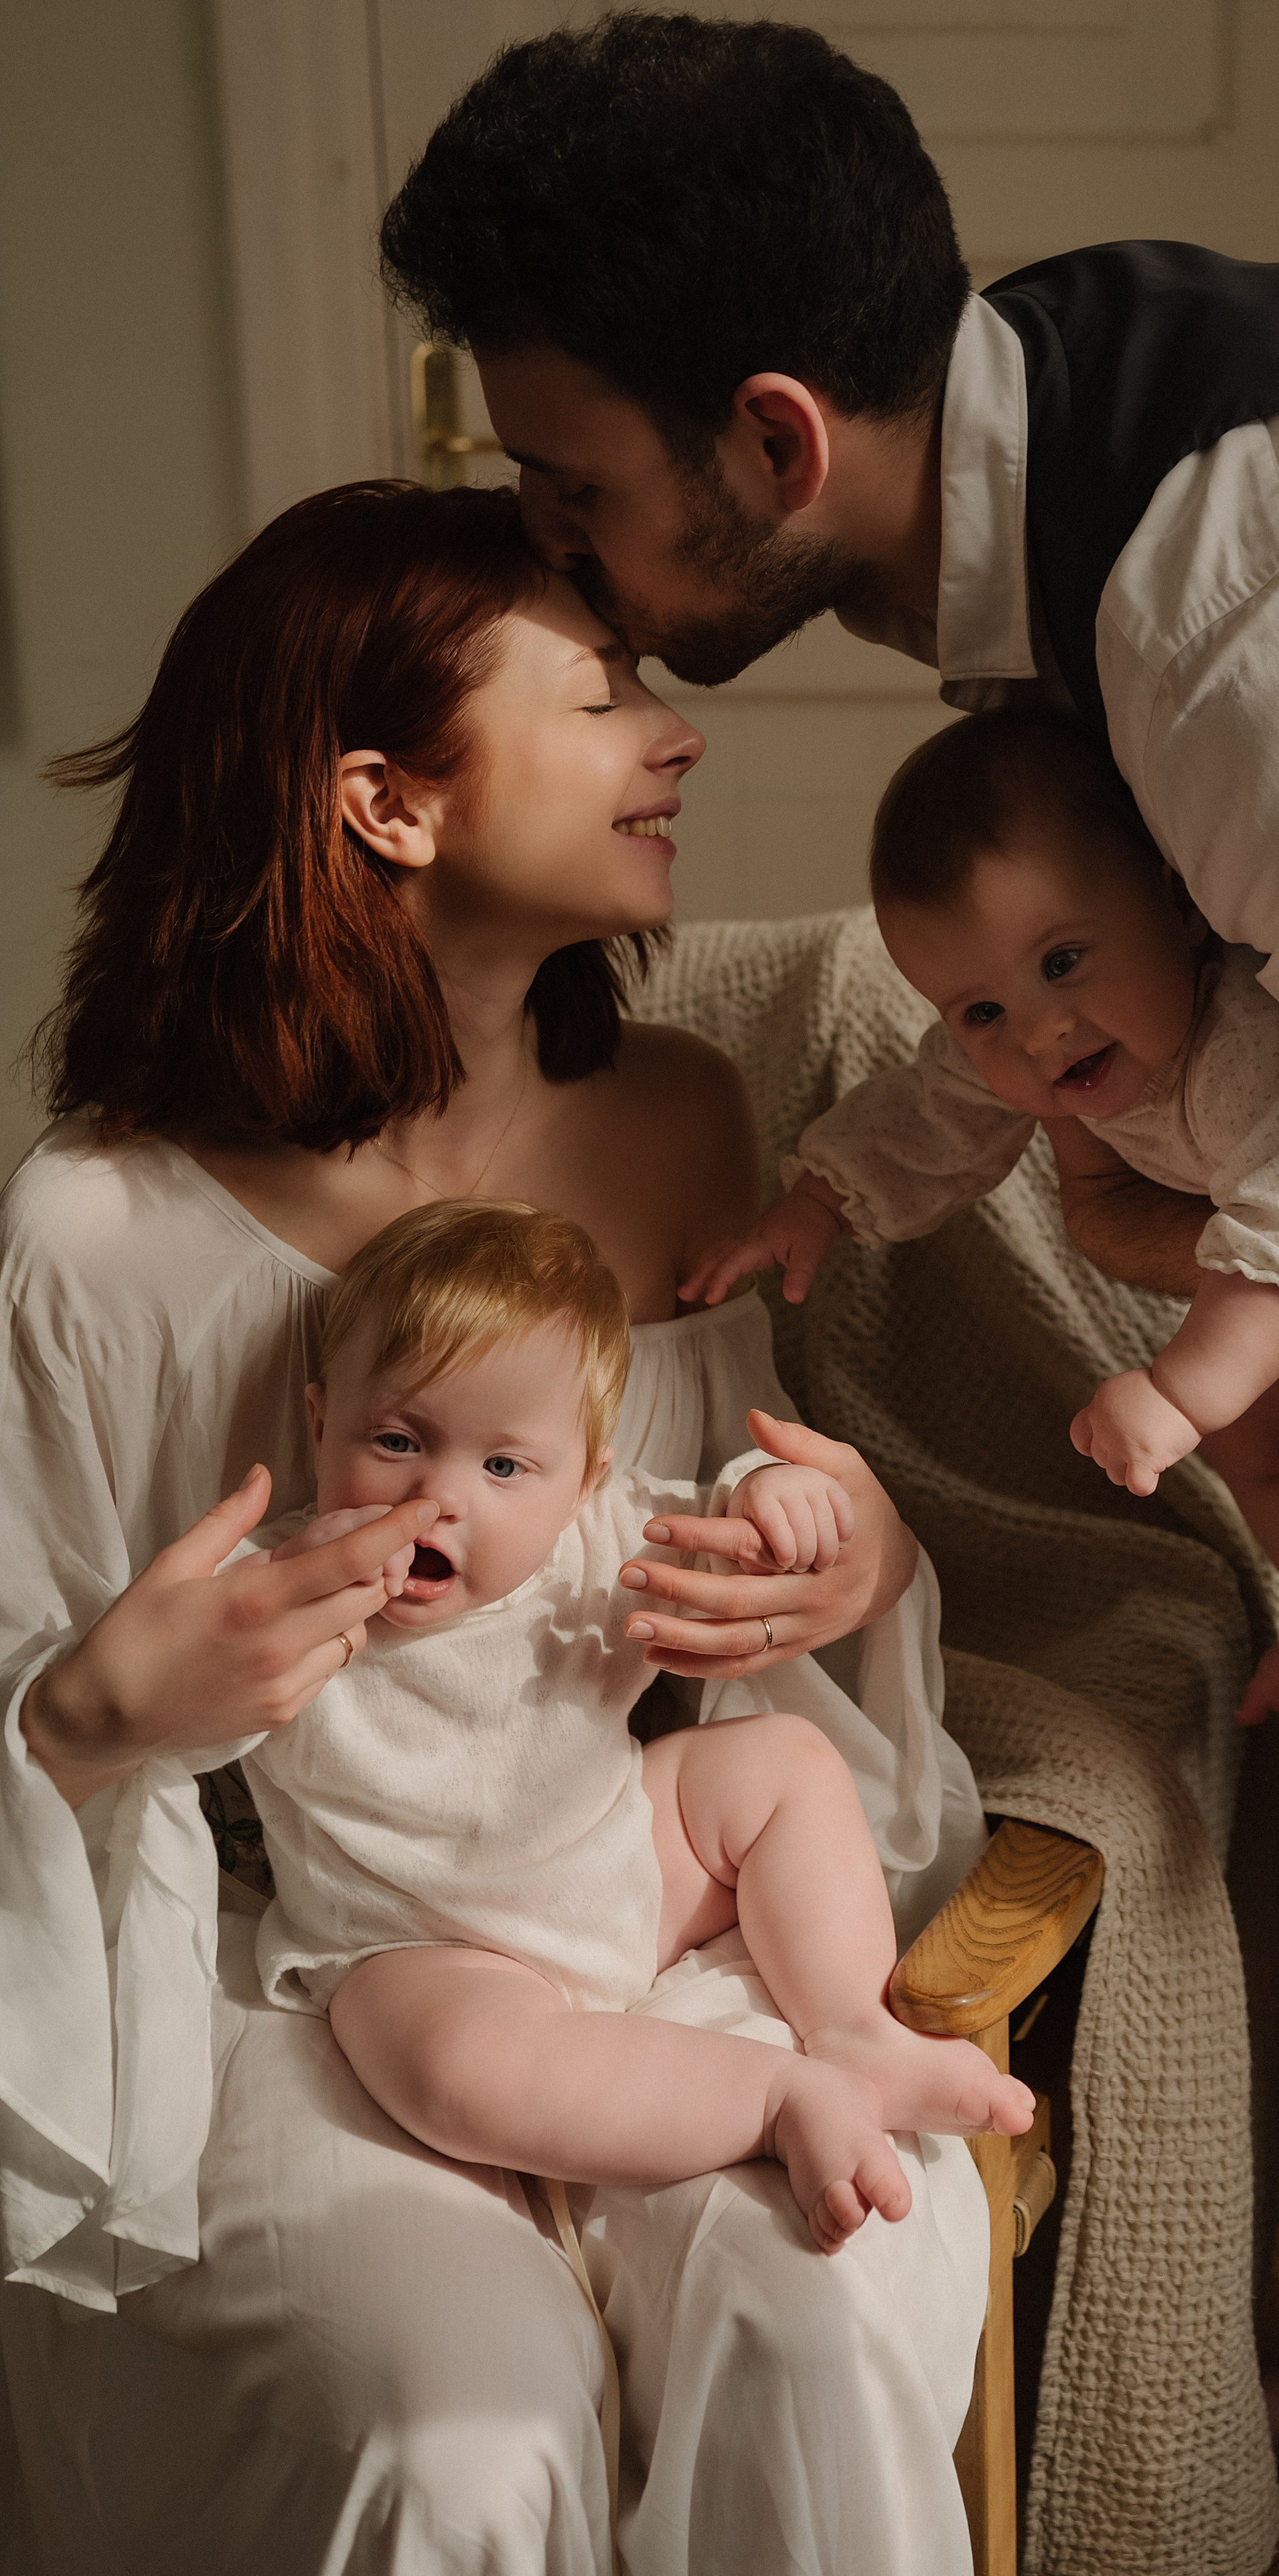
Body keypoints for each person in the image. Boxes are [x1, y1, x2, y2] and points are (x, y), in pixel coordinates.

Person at [377, 15, 1279, 2565]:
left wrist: (1184, 1265)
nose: (556, 559)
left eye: (573, 487)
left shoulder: (1255, 626)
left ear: (774, 439)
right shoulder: (1035, 443)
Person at [0, 477, 989, 2576]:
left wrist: (852, 1559)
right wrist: (97, 1718)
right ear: (387, 804)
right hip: (292, 1963)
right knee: (459, 2429)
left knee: (819, 2316)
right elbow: (44, 1705)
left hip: (646, 1912)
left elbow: (729, 1591)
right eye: (604, 688)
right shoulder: (99, 1233)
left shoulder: (686, 1124)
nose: (678, 731)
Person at [688, 706, 1279, 1837]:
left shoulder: (1248, 1042)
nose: (1039, 1034)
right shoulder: (1046, 1049)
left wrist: (1180, 1392)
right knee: (1261, 1446)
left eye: (1065, 961)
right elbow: (931, 1106)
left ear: (1180, 904)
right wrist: (820, 1200)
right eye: (981, 1009)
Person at [228, 1196, 1032, 2255]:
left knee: (783, 1762)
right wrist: (219, 1640)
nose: (441, 1494)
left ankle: (849, 2027)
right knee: (450, 2074)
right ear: (321, 1419)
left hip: (617, 1866)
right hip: (419, 1942)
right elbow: (177, 1721)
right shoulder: (281, 1592)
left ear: (584, 1477)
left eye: (504, 1465)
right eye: (395, 1439)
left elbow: (720, 1531)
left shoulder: (598, 1546)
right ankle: (780, 2099)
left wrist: (772, 1494)